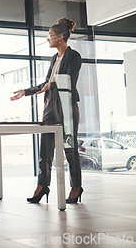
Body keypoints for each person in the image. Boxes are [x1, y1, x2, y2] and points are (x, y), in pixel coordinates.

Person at [10, 17, 83, 204]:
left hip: (66, 107)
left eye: (50, 36)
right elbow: (46, 84)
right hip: (51, 107)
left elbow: (69, 79)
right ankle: (42, 185)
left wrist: (50, 84)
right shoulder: (53, 58)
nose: (48, 39)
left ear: (60, 37)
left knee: (70, 148)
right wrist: (26, 92)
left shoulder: (74, 56)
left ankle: (76, 187)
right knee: (45, 149)